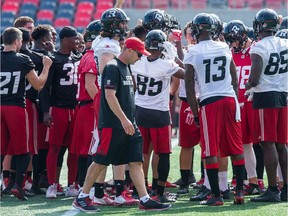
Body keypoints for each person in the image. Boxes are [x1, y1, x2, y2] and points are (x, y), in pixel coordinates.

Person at [73, 37, 171, 212]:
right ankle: (82, 196)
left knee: (135, 161)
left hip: (129, 124)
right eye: (139, 54)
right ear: (129, 50)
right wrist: (123, 119)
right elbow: (109, 96)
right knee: (101, 161)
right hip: (114, 124)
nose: (140, 58)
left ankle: (144, 199)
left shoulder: (125, 67)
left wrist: (129, 121)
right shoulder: (112, 67)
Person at [184, 13, 245, 206]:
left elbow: (189, 86)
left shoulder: (193, 51)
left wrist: (195, 112)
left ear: (195, 30)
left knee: (210, 149)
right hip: (229, 99)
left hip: (210, 102)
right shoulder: (224, 46)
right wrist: (234, 100)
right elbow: (234, 79)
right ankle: (240, 193)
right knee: (236, 147)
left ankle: (216, 196)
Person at [131, 29, 185, 202]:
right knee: (163, 153)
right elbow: (186, 74)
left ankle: (138, 189)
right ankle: (159, 192)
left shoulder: (137, 63)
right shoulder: (166, 64)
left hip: (140, 110)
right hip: (159, 112)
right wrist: (174, 58)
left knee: (141, 153)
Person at [1, 27, 52, 200]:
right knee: (23, 150)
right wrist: (46, 68)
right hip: (16, 107)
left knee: (1, 149)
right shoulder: (22, 59)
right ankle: (18, 185)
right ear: (17, 41)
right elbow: (38, 85)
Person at [246, 8, 288, 202]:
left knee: (267, 142)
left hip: (266, 95)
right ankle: (285, 187)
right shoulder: (285, 42)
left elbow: (254, 79)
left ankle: (273, 189)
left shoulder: (259, 47)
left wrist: (247, 86)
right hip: (283, 94)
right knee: (281, 143)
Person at [39, 26, 80, 199]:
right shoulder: (53, 59)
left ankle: (72, 184)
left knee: (74, 149)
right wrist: (46, 112)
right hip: (58, 108)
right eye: (74, 39)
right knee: (55, 148)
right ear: (65, 40)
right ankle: (51, 185)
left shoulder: (77, 58)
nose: (77, 41)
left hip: (75, 108)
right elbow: (44, 89)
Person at [224, 20, 261, 195]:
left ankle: (278, 182)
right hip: (238, 104)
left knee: (268, 143)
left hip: (254, 101)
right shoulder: (229, 52)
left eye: (234, 40)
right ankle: (252, 182)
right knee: (245, 144)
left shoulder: (256, 49)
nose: (232, 44)